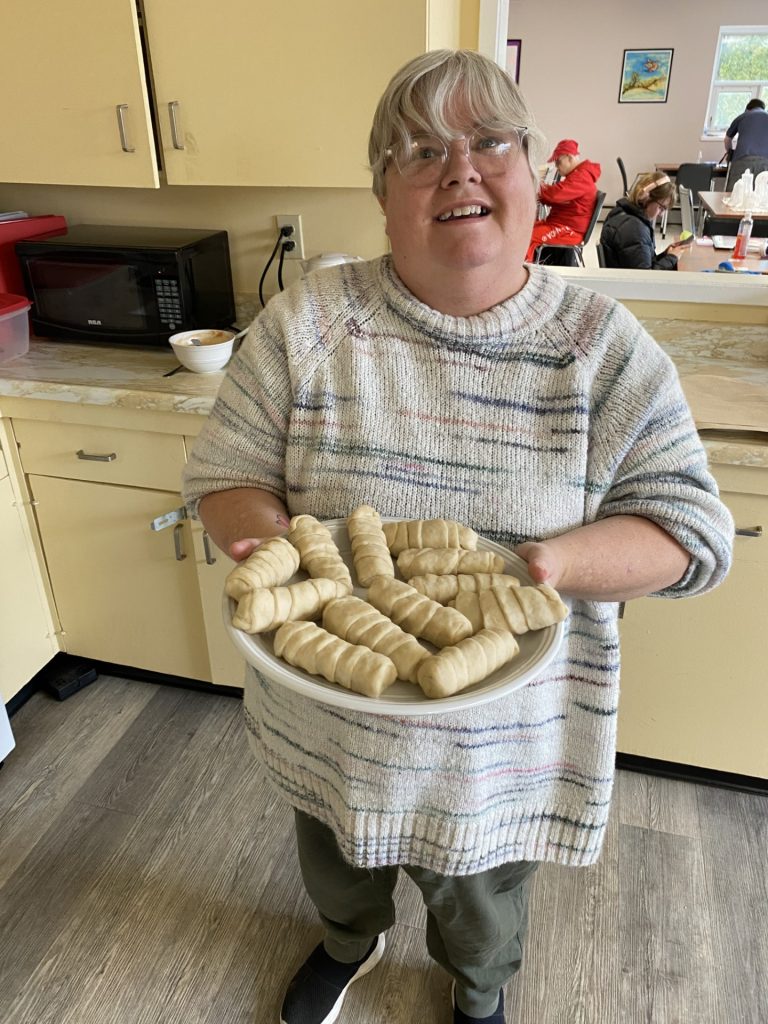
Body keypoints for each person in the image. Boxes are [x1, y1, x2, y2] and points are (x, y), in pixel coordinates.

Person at [181, 49, 733, 1024]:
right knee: (337, 858)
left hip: (499, 742)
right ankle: (349, 940)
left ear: (534, 178)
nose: (459, 168)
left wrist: (546, 566)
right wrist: (276, 555)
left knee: (479, 906)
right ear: (385, 197)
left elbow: (690, 534)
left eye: (489, 143)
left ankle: (478, 993)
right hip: (330, 715)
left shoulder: (603, 351)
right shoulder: (307, 322)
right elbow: (224, 479)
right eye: (421, 151)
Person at [525, 138, 601, 262]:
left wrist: (535, 187)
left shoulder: (582, 177)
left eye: (558, 162)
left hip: (570, 230)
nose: (556, 167)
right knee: (527, 229)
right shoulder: (578, 174)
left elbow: (556, 195)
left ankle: (525, 270)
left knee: (529, 237)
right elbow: (558, 198)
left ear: (569, 157)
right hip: (562, 224)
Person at [599, 172, 689, 269]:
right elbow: (646, 278)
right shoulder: (634, 230)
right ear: (645, 197)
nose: (661, 215)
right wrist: (672, 258)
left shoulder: (622, 212)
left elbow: (644, 262)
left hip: (624, 279)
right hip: (630, 283)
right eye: (661, 208)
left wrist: (666, 255)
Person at [725, 98, 768, 189]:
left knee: (735, 193)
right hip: (766, 162)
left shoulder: (743, 116)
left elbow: (727, 139)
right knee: (760, 196)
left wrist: (730, 153)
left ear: (748, 109)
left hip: (743, 160)